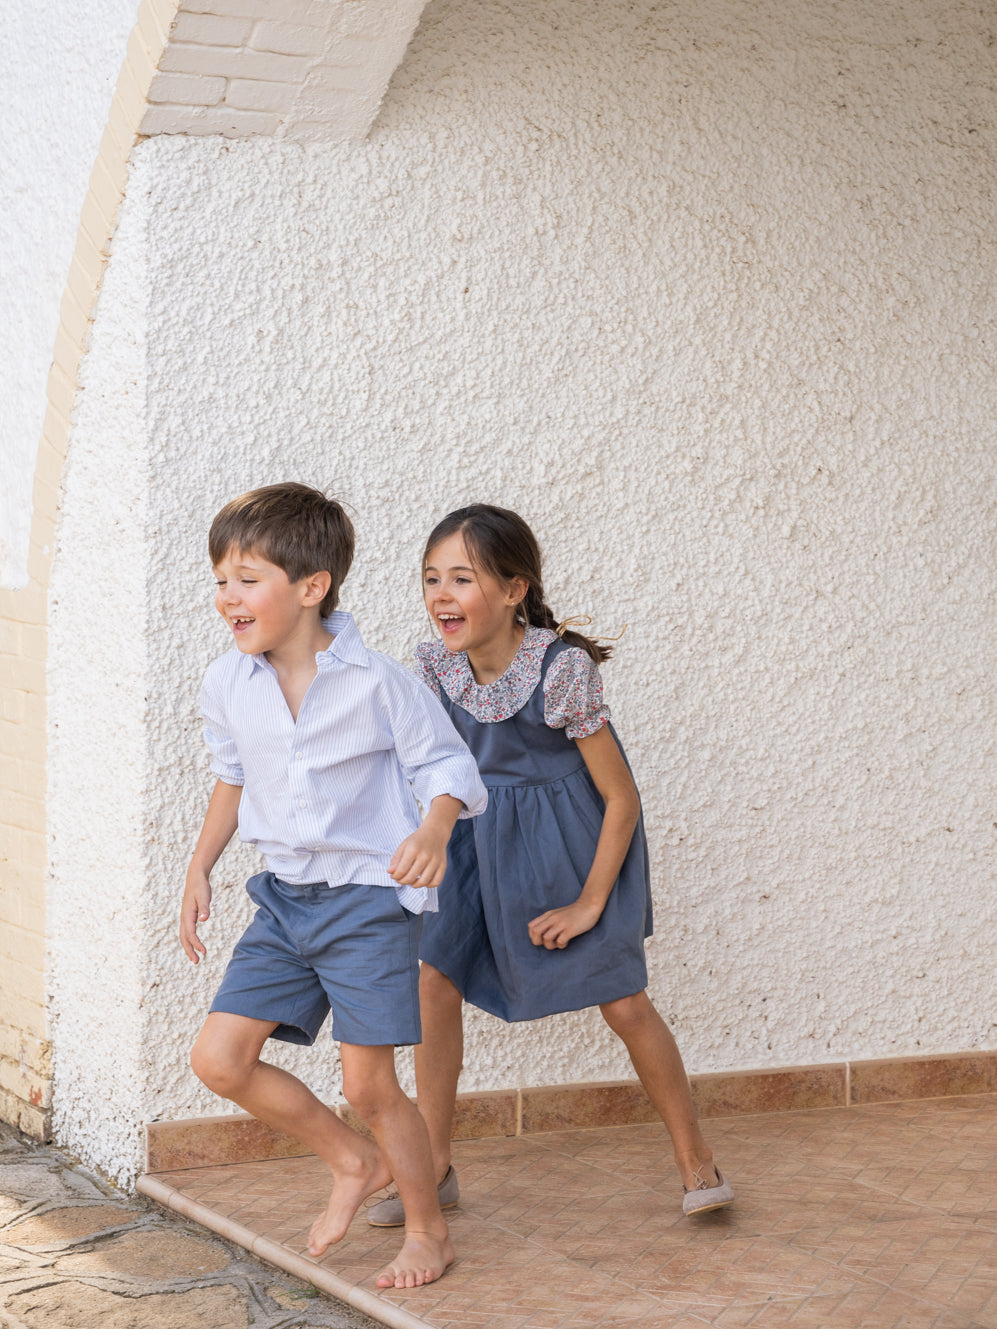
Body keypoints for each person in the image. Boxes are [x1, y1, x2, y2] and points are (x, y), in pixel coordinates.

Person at [368, 502, 732, 1229]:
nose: (441, 594)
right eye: (431, 578)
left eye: (462, 578)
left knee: (622, 999)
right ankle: (434, 1166)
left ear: (514, 589)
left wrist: (590, 902)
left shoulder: (560, 669)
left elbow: (620, 799)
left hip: (570, 848)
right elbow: (426, 768)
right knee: (434, 981)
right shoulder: (434, 666)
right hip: (473, 845)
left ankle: (696, 1157)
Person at [179, 483, 487, 1289]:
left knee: (369, 1084)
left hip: (366, 902)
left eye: (247, 579)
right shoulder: (227, 683)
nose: (227, 597)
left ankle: (427, 1231)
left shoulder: (377, 682)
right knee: (219, 1058)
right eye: (221, 580)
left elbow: (446, 765)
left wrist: (433, 829)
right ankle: (352, 1160)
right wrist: (199, 866)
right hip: (283, 900)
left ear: (311, 585)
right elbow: (231, 777)